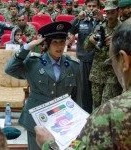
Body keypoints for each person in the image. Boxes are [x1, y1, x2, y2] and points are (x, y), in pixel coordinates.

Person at [34, 17, 131, 150]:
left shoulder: (109, 115)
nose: (59, 46)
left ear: (124, 61)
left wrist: (48, 144)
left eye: (112, 60)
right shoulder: (35, 61)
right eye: (55, 42)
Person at [5, 21, 82, 150]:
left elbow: (76, 96)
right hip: (37, 121)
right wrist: (27, 47)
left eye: (62, 42)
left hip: (63, 121)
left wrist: (77, 121)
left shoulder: (73, 65)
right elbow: (9, 69)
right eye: (55, 42)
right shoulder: (33, 63)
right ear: (46, 44)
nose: (59, 46)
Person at [84, 0, 122, 109]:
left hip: (112, 75)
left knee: (107, 107)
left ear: (118, 12)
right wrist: (90, 40)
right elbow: (86, 48)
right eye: (107, 12)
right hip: (97, 73)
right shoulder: (99, 27)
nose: (109, 16)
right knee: (96, 105)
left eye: (112, 12)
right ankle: (96, 126)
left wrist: (114, 45)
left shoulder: (123, 29)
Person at [69, 0, 103, 113]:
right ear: (85, 7)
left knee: (99, 92)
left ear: (98, 7)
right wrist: (77, 18)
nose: (91, 8)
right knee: (84, 92)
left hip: (99, 61)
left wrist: (101, 19)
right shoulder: (81, 20)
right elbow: (70, 30)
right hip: (84, 60)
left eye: (94, 6)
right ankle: (86, 118)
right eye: (89, 6)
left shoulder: (103, 20)